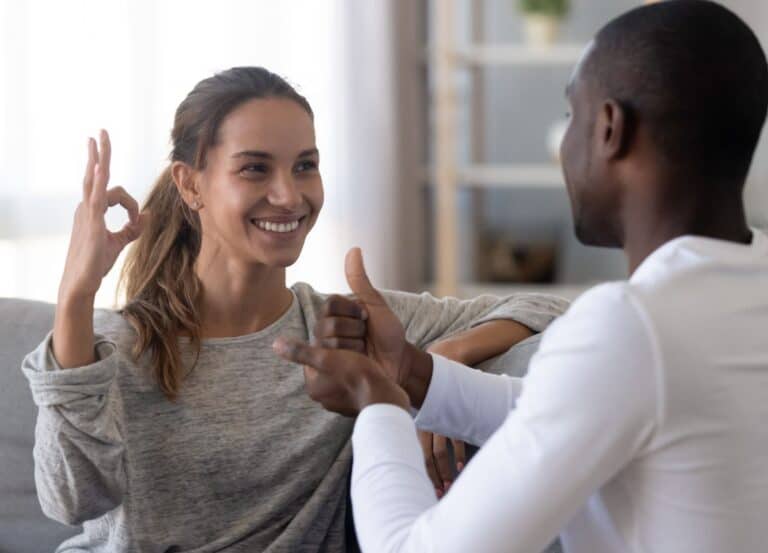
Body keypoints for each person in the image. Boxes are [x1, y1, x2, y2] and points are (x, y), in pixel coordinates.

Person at [274, 2, 768, 551]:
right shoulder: (743, 284)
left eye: (570, 118)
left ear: (609, 129)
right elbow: (562, 406)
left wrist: (377, 402)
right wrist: (410, 371)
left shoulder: (632, 325)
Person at [21, 67, 567, 552]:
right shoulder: (119, 343)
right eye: (255, 169)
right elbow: (73, 500)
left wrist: (431, 369)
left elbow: (547, 309)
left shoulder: (342, 330)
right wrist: (75, 297)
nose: (289, 195)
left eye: (304, 166)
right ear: (191, 185)